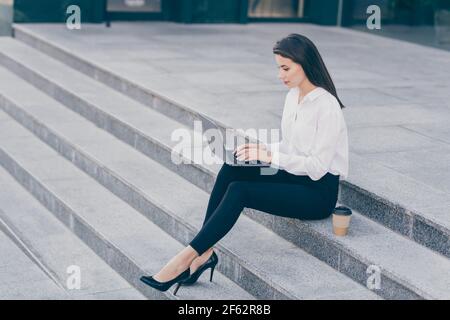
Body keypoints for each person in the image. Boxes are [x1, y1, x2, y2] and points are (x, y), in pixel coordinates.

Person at [140, 33, 349, 295]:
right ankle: (204, 253)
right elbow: (291, 146)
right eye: (278, 68)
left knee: (241, 190)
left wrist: (272, 158)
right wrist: (263, 151)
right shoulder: (293, 96)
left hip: (318, 193)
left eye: (285, 68)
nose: (280, 75)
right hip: (294, 175)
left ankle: (184, 259)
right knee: (233, 168)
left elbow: (318, 167)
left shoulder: (326, 106)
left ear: (305, 64)